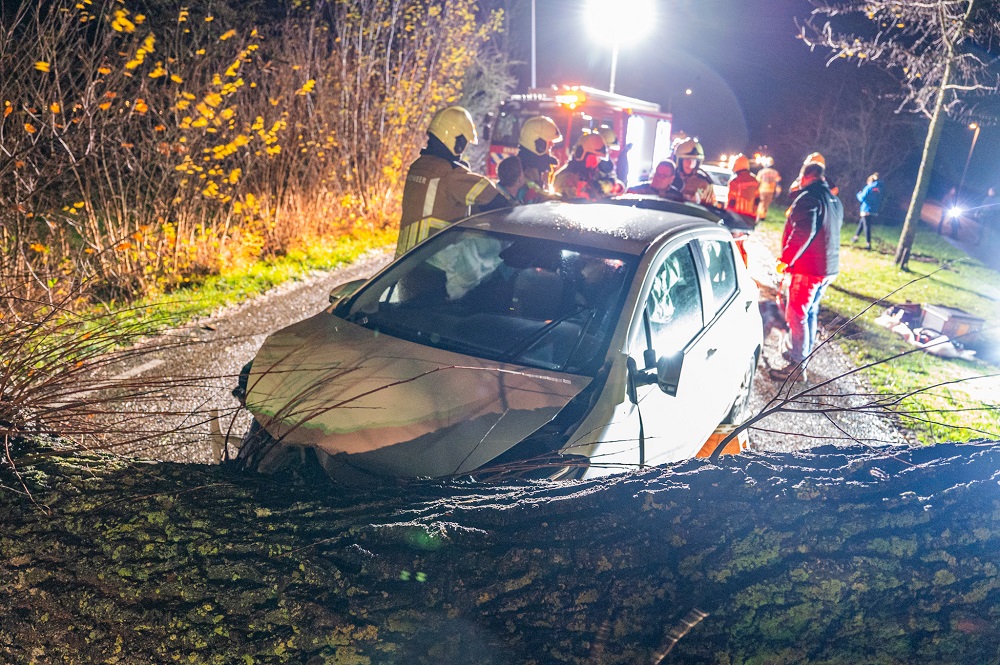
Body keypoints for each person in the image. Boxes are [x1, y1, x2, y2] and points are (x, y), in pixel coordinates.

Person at [397, 106, 506, 257]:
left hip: (404, 260)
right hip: (432, 262)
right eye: (465, 142)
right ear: (458, 142)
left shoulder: (417, 166)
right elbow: (494, 198)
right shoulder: (450, 174)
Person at [769, 162, 844, 382]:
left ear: (805, 177)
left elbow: (803, 232)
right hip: (828, 269)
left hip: (809, 270)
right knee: (809, 312)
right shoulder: (834, 200)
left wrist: (785, 260)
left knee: (797, 314)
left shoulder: (808, 198)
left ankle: (796, 365)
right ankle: (802, 355)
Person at [552, 133, 621, 201]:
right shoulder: (566, 178)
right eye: (595, 158)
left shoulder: (591, 175)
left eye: (599, 159)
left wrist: (606, 186)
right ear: (583, 155)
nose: (596, 163)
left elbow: (618, 187)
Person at [517, 115, 562, 196]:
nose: (552, 145)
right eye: (549, 142)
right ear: (539, 144)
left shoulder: (538, 168)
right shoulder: (521, 172)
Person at [672, 138, 716, 205]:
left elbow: (712, 207)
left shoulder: (705, 184)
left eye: (693, 160)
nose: (690, 164)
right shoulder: (669, 178)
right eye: (687, 159)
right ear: (680, 162)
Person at [726, 154, 761, 225]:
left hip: (737, 217)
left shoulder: (735, 181)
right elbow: (757, 199)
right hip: (750, 217)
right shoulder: (754, 180)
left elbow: (731, 201)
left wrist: (727, 215)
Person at [853, 172, 882, 249]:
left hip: (866, 209)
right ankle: (855, 237)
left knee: (866, 226)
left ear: (869, 181)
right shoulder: (878, 189)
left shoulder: (868, 188)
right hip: (873, 210)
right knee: (862, 223)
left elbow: (862, 197)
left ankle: (868, 244)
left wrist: (858, 194)